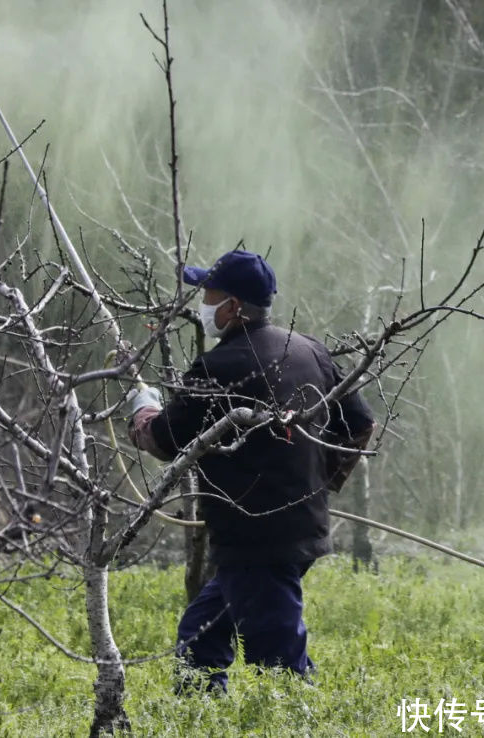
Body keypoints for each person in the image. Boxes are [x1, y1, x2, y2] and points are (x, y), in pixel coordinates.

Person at [126, 249, 375, 692]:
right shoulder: (308, 350)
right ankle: (196, 720)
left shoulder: (219, 367)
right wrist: (318, 486)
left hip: (256, 541)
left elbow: (165, 441)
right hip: (294, 532)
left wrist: (143, 412)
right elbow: (360, 424)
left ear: (234, 306)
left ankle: (304, 721)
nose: (202, 303)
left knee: (279, 669)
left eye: (210, 294)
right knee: (200, 639)